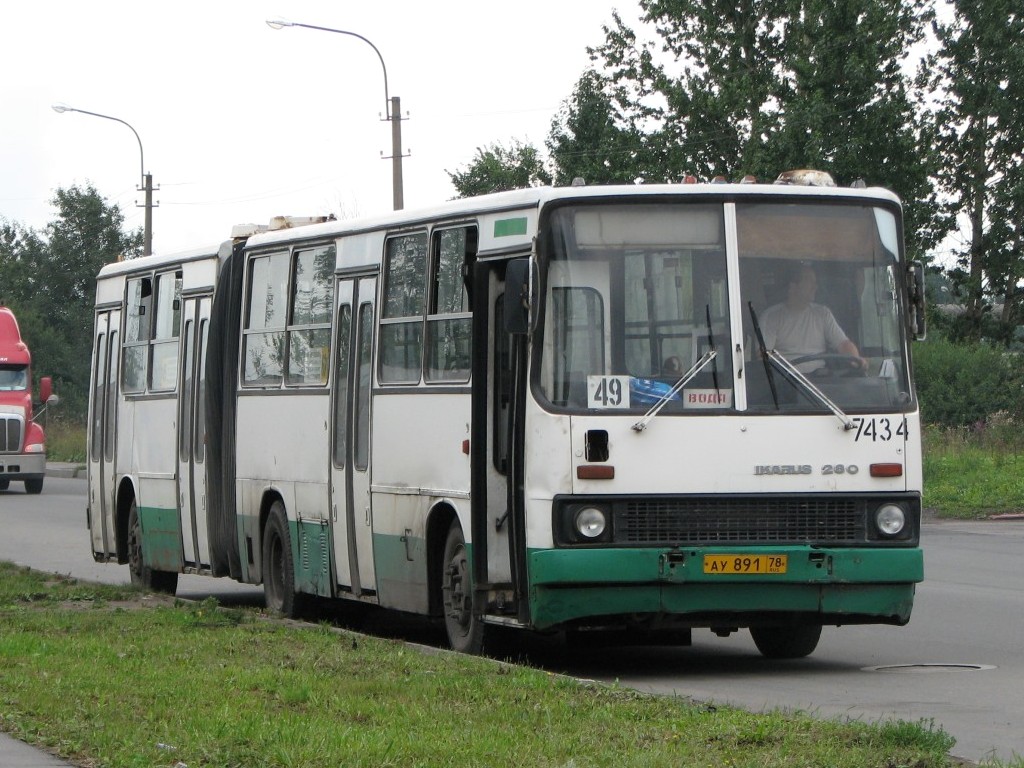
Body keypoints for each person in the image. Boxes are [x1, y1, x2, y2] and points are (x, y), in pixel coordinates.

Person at [759, 264, 867, 374]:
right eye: (809, 281)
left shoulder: (822, 313)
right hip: (786, 382)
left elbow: (843, 343)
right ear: (793, 286)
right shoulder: (771, 317)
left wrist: (856, 359)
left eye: (815, 282)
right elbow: (764, 358)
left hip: (819, 383)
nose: (815, 286)